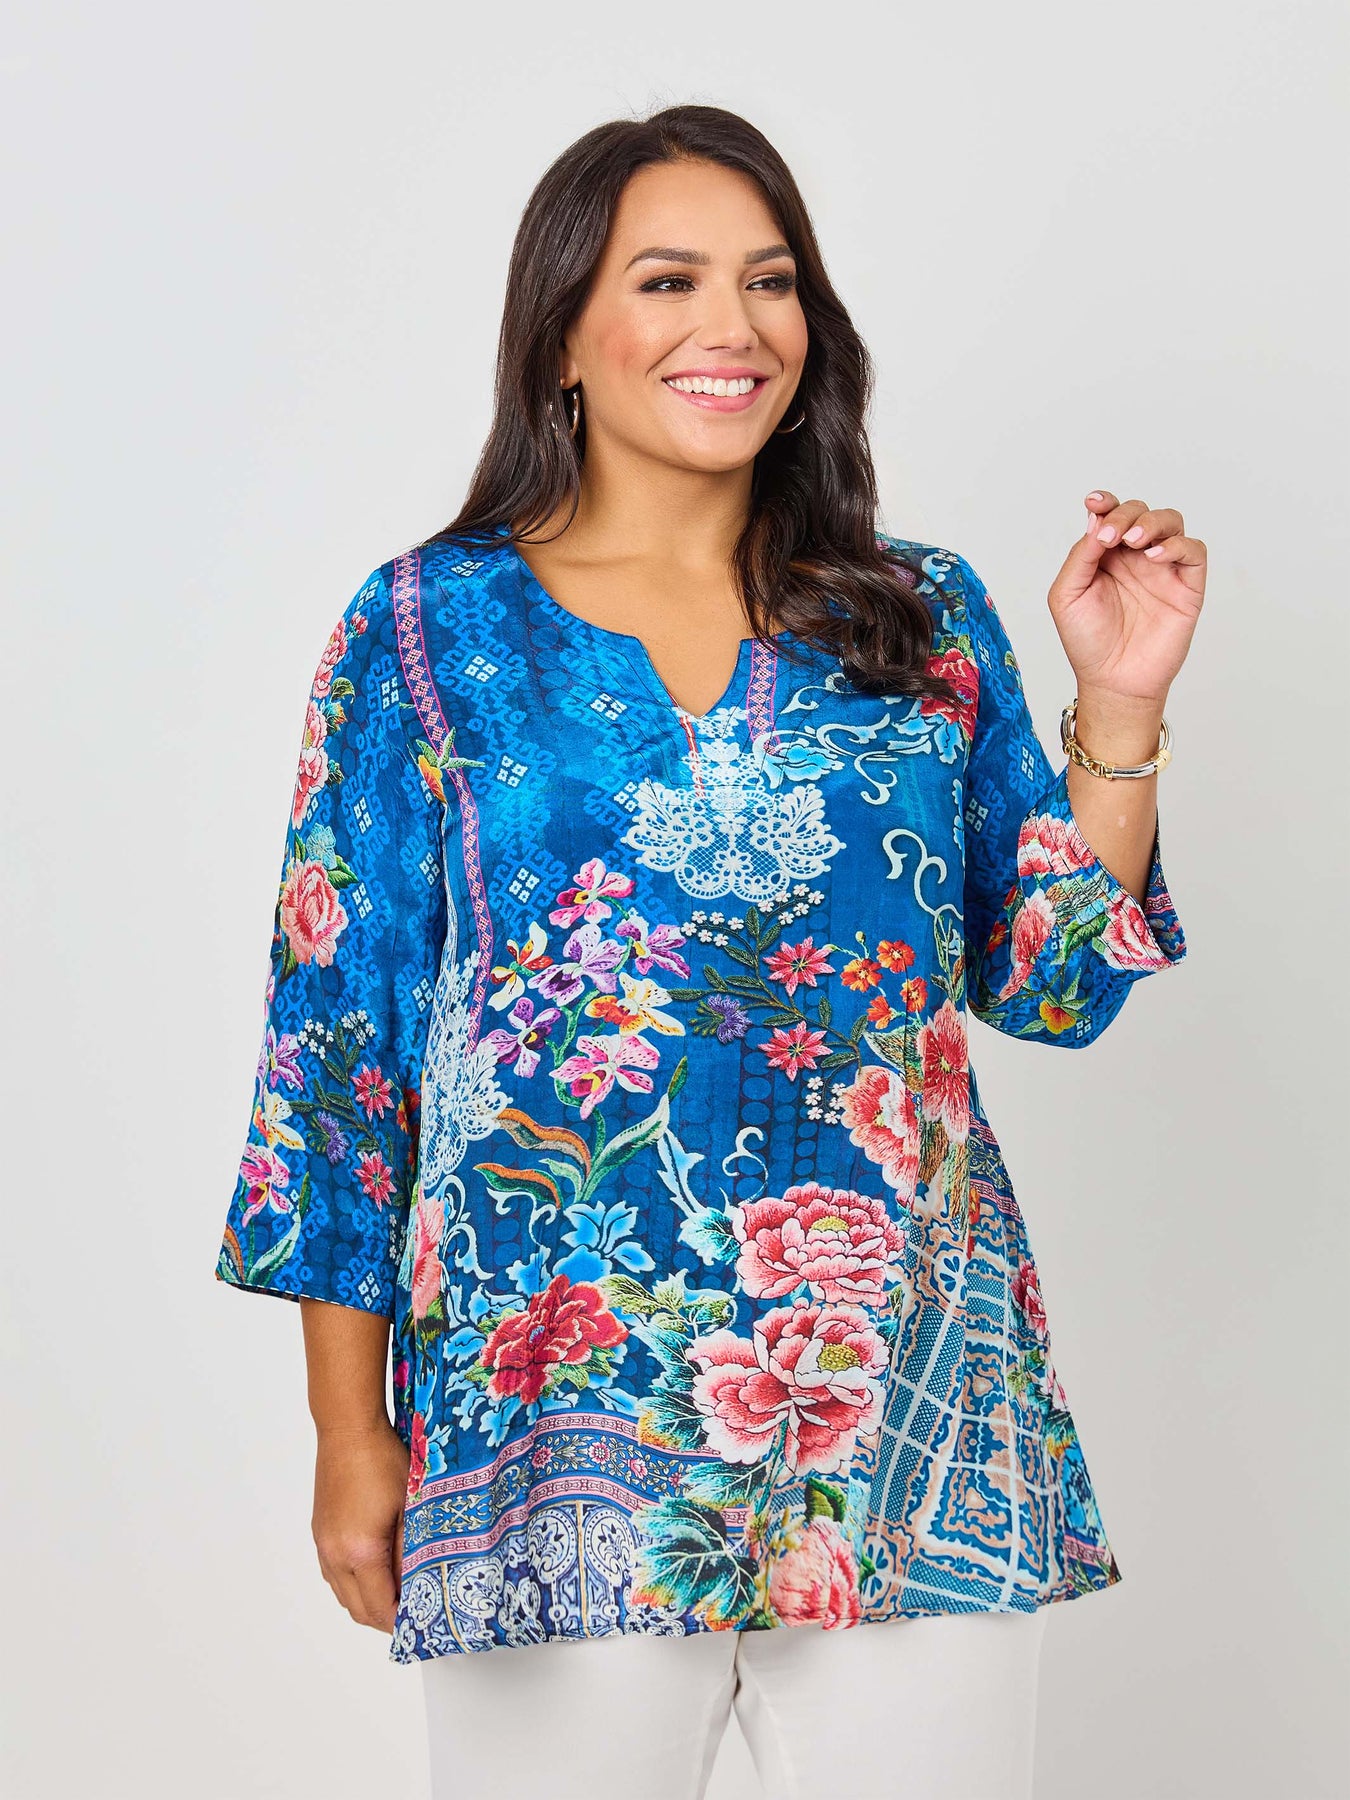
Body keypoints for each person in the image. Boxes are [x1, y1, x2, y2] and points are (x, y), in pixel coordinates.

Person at [213, 103, 1204, 1800]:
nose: (730, 325)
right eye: (667, 280)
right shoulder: (422, 629)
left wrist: (1117, 704)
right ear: (562, 336)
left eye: (769, 280)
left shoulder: (916, 613)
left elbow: (1053, 983)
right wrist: (348, 1430)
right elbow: (337, 1053)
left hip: (909, 1409)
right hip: (546, 1412)